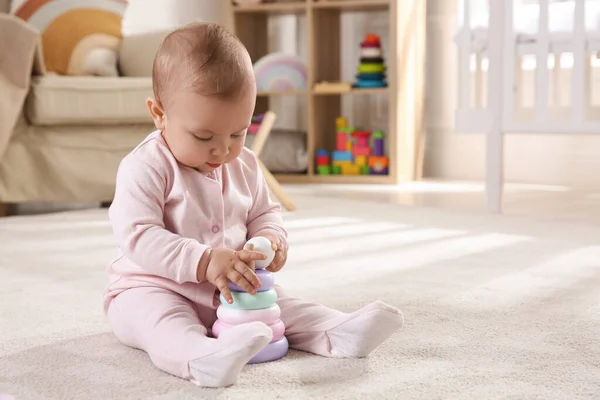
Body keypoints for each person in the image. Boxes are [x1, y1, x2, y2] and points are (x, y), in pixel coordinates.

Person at [104, 22, 404, 388]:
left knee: (283, 306)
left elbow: (265, 212)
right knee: (162, 323)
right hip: (151, 288)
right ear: (159, 113)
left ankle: (336, 331)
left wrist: (271, 239)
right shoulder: (146, 166)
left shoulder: (242, 162)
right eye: (204, 136)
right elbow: (138, 235)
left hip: (234, 287)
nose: (223, 149)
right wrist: (204, 260)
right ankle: (202, 357)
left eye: (239, 132)